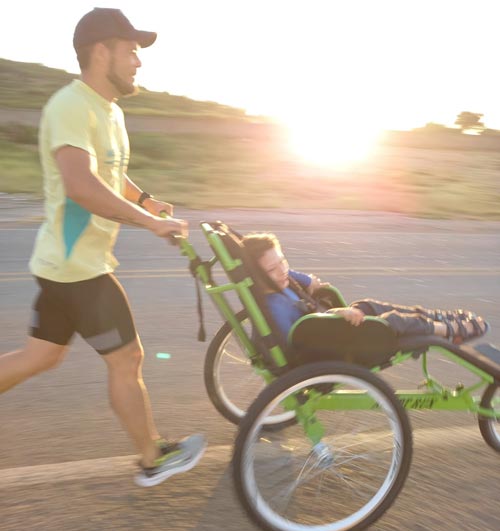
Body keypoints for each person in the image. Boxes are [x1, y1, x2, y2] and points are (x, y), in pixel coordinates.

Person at [0, 8, 206, 488]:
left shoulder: (108, 110)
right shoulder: (71, 106)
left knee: (41, 356)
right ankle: (153, 458)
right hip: (78, 267)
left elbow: (111, 172)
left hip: (65, 262)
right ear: (100, 52)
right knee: (127, 358)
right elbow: (81, 185)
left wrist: (146, 200)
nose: (138, 60)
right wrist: (149, 224)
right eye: (131, 50)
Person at [242, 233, 489, 344]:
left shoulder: (278, 282)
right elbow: (297, 342)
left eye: (282, 260)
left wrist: (308, 281)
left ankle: (434, 318)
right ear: (258, 275)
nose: (283, 270)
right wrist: (334, 314)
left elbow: (290, 274)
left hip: (328, 326)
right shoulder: (275, 308)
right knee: (389, 322)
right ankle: (447, 330)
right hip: (326, 344)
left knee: (367, 305)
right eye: (273, 269)